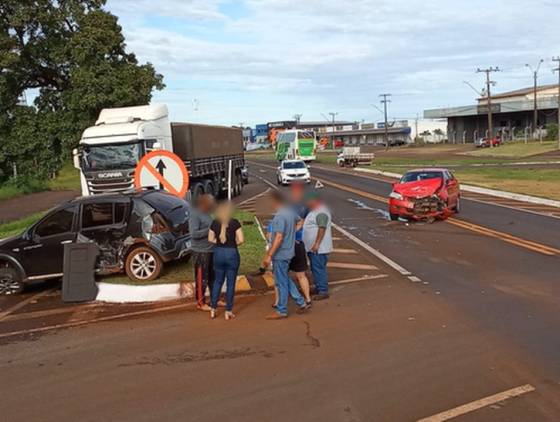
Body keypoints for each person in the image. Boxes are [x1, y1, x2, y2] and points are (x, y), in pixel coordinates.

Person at [262, 190, 310, 319]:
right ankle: (301, 301)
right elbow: (300, 221)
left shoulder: (279, 217)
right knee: (284, 279)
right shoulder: (290, 212)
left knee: (281, 282)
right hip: (289, 252)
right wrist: (292, 233)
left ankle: (282, 310)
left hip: (280, 255)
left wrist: (269, 255)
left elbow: (278, 238)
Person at [209, 202, 244, 320]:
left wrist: (219, 243)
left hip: (218, 253)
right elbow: (241, 240)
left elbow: (210, 239)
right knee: (230, 284)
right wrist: (233, 243)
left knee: (217, 281)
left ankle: (213, 308)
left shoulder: (214, 222)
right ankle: (228, 311)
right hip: (232, 253)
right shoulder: (235, 223)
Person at [303, 191, 333, 300]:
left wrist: (316, 243)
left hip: (319, 248)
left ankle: (323, 291)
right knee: (315, 268)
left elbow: (322, 228)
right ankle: (319, 287)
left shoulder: (321, 212)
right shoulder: (313, 211)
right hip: (313, 248)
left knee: (319, 268)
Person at [189, 194, 216, 311]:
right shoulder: (195, 215)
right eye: (210, 204)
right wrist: (210, 229)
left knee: (212, 277)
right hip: (201, 252)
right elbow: (194, 234)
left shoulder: (207, 214)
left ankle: (214, 299)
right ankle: (200, 302)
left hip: (211, 250)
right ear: (204, 204)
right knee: (202, 278)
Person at [289, 183, 311, 305]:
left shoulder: (291, 207)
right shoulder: (305, 206)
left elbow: (302, 222)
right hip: (299, 243)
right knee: (300, 275)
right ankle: (307, 298)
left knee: (283, 275)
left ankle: (304, 298)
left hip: (293, 244)